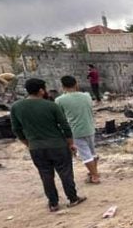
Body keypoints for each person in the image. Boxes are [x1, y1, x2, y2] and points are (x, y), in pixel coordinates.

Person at [11, 78, 86, 212]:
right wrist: (71, 143)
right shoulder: (51, 105)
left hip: (36, 148)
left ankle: (53, 203)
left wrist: (28, 143)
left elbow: (16, 129)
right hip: (58, 146)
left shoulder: (16, 107)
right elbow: (65, 126)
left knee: (45, 175)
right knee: (65, 173)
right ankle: (73, 198)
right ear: (41, 90)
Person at [55, 75, 101, 184]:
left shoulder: (59, 100)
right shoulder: (87, 96)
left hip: (75, 131)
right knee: (92, 152)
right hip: (90, 128)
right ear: (76, 84)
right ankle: (93, 172)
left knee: (85, 154)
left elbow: (60, 117)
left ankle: (95, 176)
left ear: (62, 86)